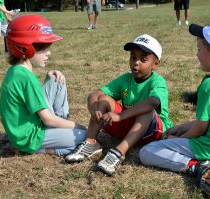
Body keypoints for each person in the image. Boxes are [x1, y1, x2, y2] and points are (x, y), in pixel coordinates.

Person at [139, 18, 210, 173]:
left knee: (147, 152)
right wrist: (179, 128)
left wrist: (180, 138)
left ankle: (198, 166)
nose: (196, 54)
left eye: (199, 49)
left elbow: (200, 128)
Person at [65, 34, 173, 176]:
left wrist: (120, 115)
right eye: (133, 57)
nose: (136, 62)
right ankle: (91, 143)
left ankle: (118, 152)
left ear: (156, 63)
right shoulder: (125, 79)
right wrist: (94, 110)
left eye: (143, 59)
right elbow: (94, 95)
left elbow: (153, 102)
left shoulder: (157, 82)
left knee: (146, 109)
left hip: (152, 133)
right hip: (130, 127)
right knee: (103, 98)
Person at [0, 14, 87, 156]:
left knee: (56, 80)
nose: (48, 53)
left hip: (23, 130)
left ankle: (61, 129)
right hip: (29, 137)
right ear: (24, 48)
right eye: (43, 48)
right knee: (84, 137)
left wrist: (48, 78)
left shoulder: (16, 71)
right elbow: (47, 119)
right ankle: (42, 149)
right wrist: (79, 126)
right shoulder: (27, 78)